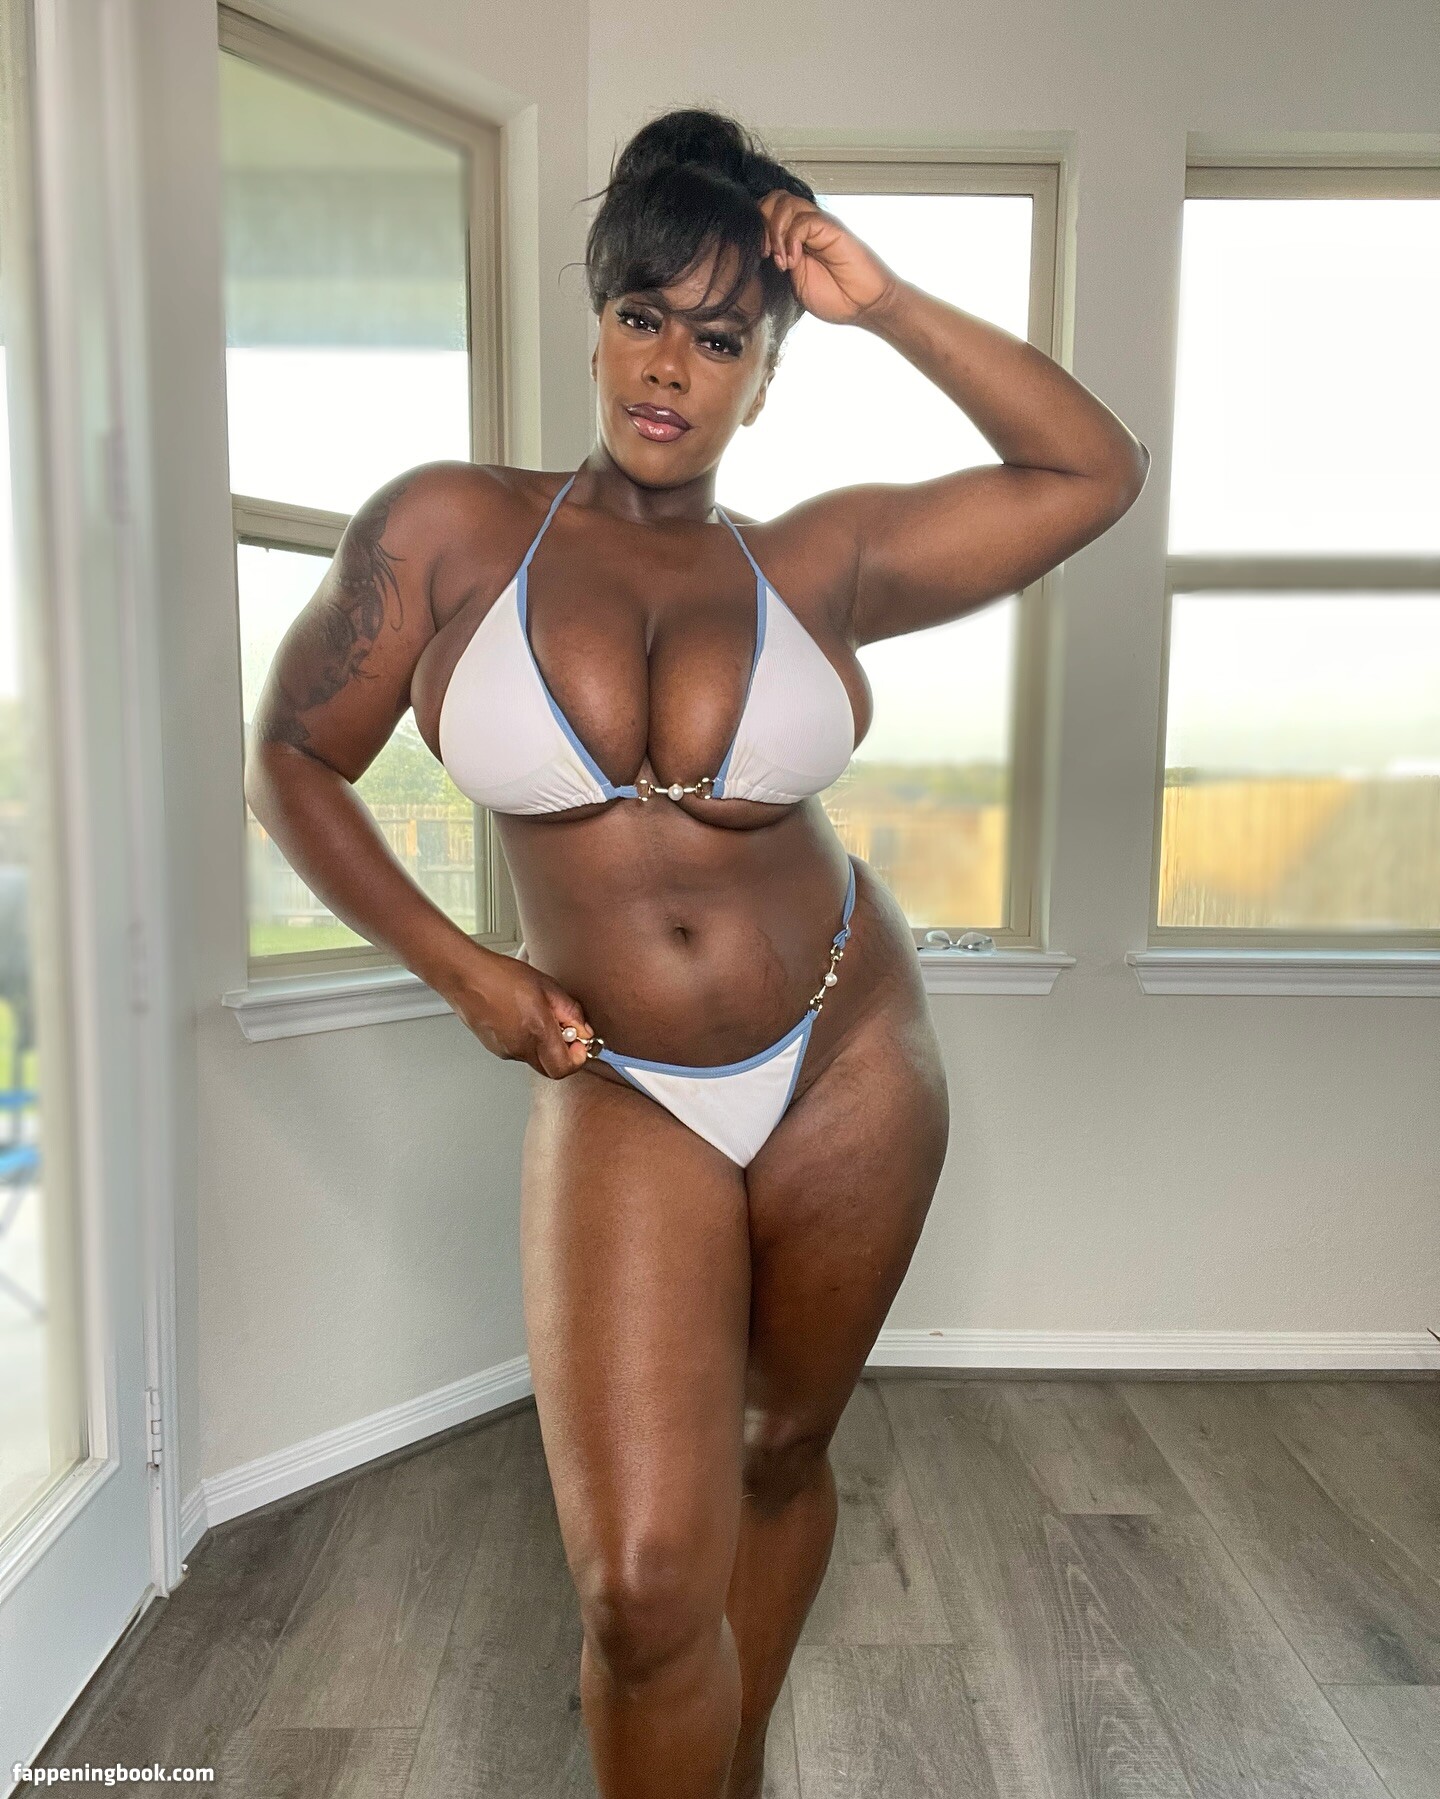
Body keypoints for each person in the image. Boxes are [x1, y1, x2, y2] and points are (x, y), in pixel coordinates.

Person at [244, 107, 1147, 1799]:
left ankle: (728, 1776)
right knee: (645, 1584)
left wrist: (884, 301)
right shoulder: (449, 530)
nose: (672, 364)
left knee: (780, 1449)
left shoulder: (816, 560)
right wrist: (468, 972)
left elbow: (1091, 473)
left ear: (766, 375)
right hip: (621, 1078)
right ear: (597, 327)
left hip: (845, 1051)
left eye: (723, 337)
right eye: (644, 314)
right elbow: (292, 758)